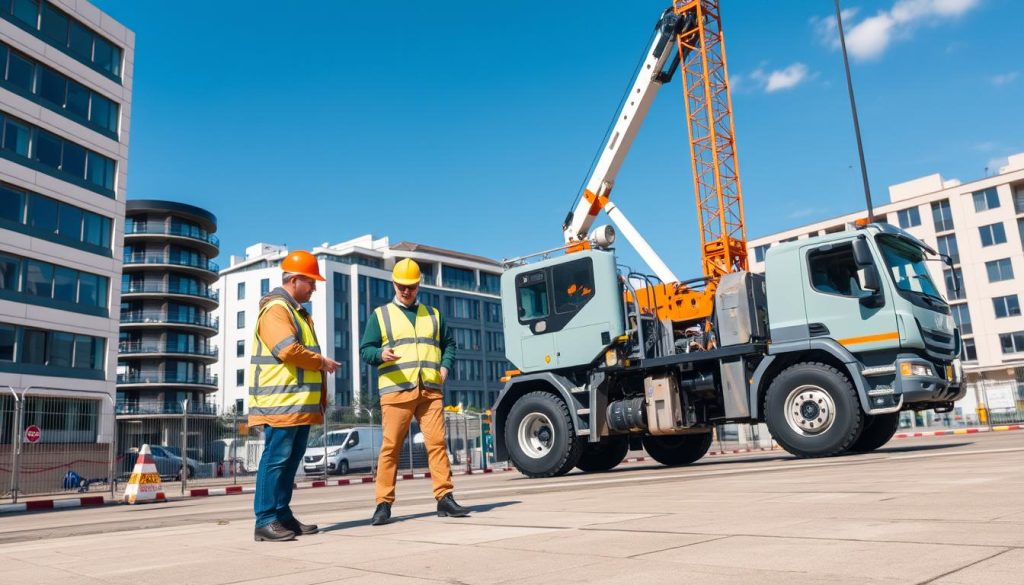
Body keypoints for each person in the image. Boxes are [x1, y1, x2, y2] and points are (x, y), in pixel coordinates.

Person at [360, 258, 470, 525]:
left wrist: (445, 367)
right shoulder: (381, 315)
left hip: (430, 389)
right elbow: (366, 350)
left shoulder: (433, 315)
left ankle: (444, 498)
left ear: (418, 284)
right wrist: (380, 353)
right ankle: (383, 505)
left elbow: (449, 344)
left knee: (437, 445)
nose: (406, 291)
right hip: (396, 391)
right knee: (391, 449)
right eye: (401, 286)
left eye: (410, 286)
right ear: (394, 284)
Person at [249, 250, 339, 542]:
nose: (314, 287)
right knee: (276, 459)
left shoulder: (297, 312)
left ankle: (282, 515)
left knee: (289, 461)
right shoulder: (277, 309)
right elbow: (287, 351)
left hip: (298, 403)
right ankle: (265, 520)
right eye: (311, 282)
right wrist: (322, 362)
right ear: (296, 279)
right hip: (281, 402)